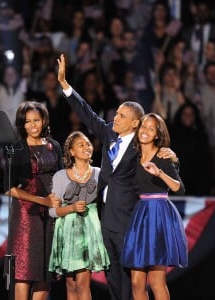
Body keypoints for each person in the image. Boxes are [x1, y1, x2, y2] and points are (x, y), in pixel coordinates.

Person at [57, 54, 180, 300]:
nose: (116, 117)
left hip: (129, 218)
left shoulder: (141, 145)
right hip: (105, 215)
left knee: (130, 277)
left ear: (135, 124)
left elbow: (159, 153)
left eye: (122, 116)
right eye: (117, 113)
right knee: (112, 272)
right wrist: (65, 85)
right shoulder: (109, 134)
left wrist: (172, 155)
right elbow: (88, 114)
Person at [122, 113, 188, 300]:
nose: (146, 131)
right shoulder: (133, 155)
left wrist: (159, 173)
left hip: (159, 215)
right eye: (144, 127)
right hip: (140, 215)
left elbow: (178, 188)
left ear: (157, 134)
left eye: (151, 128)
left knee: (157, 281)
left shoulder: (163, 155)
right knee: (136, 282)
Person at [4, 100, 63, 300]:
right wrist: (42, 201)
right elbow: (9, 189)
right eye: (27, 121)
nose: (33, 125)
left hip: (51, 215)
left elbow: (61, 177)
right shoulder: (16, 148)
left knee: (45, 271)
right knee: (24, 272)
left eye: (36, 120)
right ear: (22, 124)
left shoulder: (54, 146)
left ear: (44, 120)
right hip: (26, 217)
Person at [48, 131, 110, 299]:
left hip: (89, 231)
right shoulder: (60, 176)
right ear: (72, 151)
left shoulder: (99, 173)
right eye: (81, 144)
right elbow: (53, 211)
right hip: (67, 232)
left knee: (83, 282)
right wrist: (72, 208)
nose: (86, 147)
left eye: (88, 144)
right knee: (71, 284)